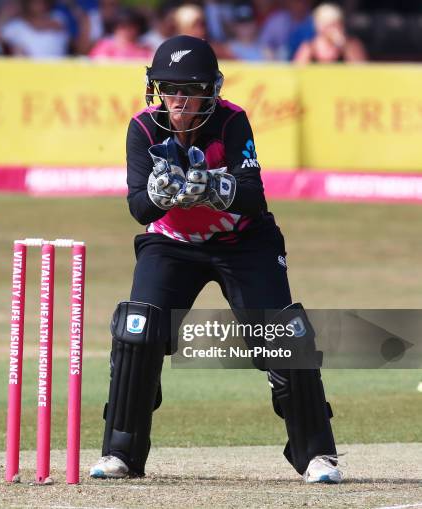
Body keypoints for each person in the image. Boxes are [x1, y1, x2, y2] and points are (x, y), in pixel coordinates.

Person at [89, 35, 343, 484]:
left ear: (211, 91)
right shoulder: (143, 128)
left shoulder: (231, 122)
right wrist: (156, 191)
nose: (179, 101)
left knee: (284, 333)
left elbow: (253, 197)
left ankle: (316, 455)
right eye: (170, 89)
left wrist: (211, 187)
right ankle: (121, 453)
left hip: (242, 242)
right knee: (139, 327)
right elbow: (140, 210)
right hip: (172, 243)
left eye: (190, 90)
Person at [294, 3, 367, 63]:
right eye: (330, 24)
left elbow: (361, 69)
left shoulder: (352, 44)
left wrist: (345, 46)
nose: (334, 28)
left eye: (337, 23)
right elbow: (298, 71)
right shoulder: (309, 47)